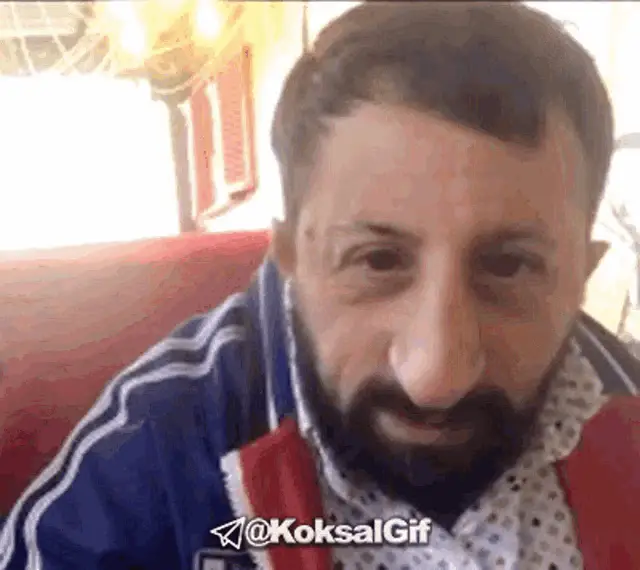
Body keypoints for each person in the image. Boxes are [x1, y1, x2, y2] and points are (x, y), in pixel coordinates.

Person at [2, 2, 639, 569]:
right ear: (292, 257)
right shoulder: (149, 457)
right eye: (378, 260)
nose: (435, 378)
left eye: (508, 267)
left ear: (582, 275)